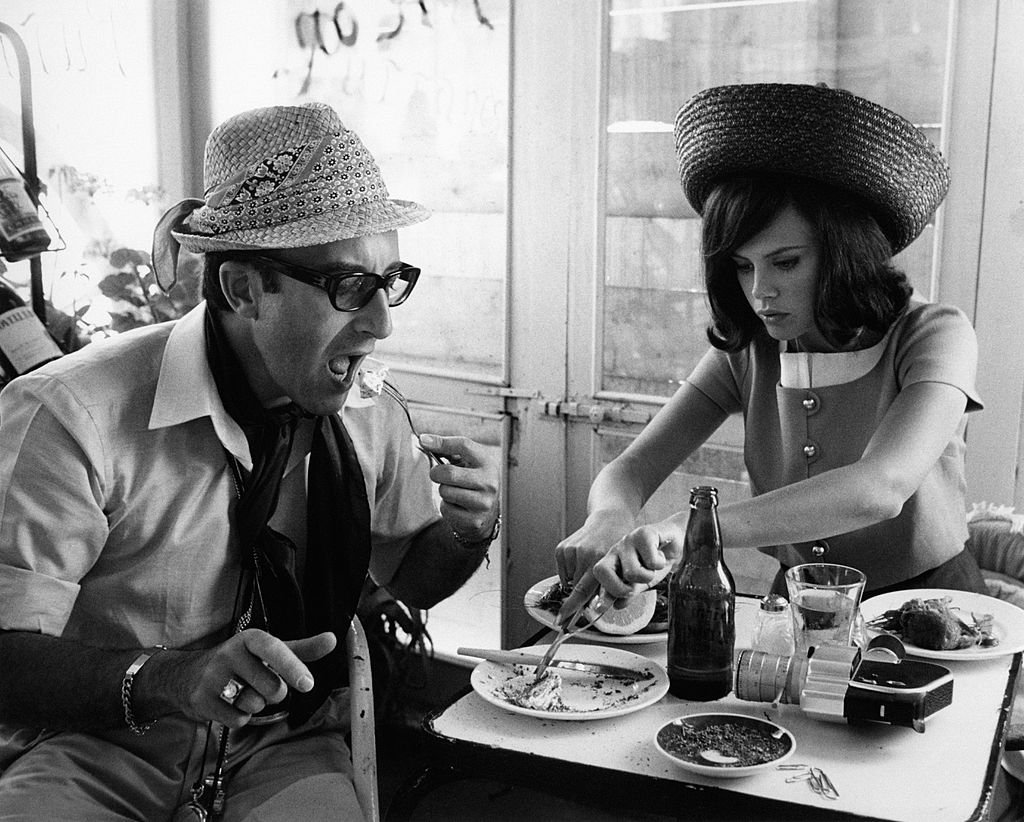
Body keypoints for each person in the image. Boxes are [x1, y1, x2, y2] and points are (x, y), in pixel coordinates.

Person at [0, 102, 500, 821]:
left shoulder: (369, 414)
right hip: (95, 748)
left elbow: (411, 579)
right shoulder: (73, 415)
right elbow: (7, 658)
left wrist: (466, 529)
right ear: (243, 289)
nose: (382, 322)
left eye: (391, 280)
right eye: (348, 287)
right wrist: (172, 678)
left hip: (282, 745)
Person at [556, 82, 986, 618]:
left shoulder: (934, 334)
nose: (760, 291)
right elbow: (632, 467)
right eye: (742, 265)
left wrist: (693, 527)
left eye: (785, 263)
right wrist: (609, 516)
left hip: (930, 604)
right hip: (796, 607)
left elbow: (880, 488)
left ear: (845, 251)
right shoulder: (750, 348)